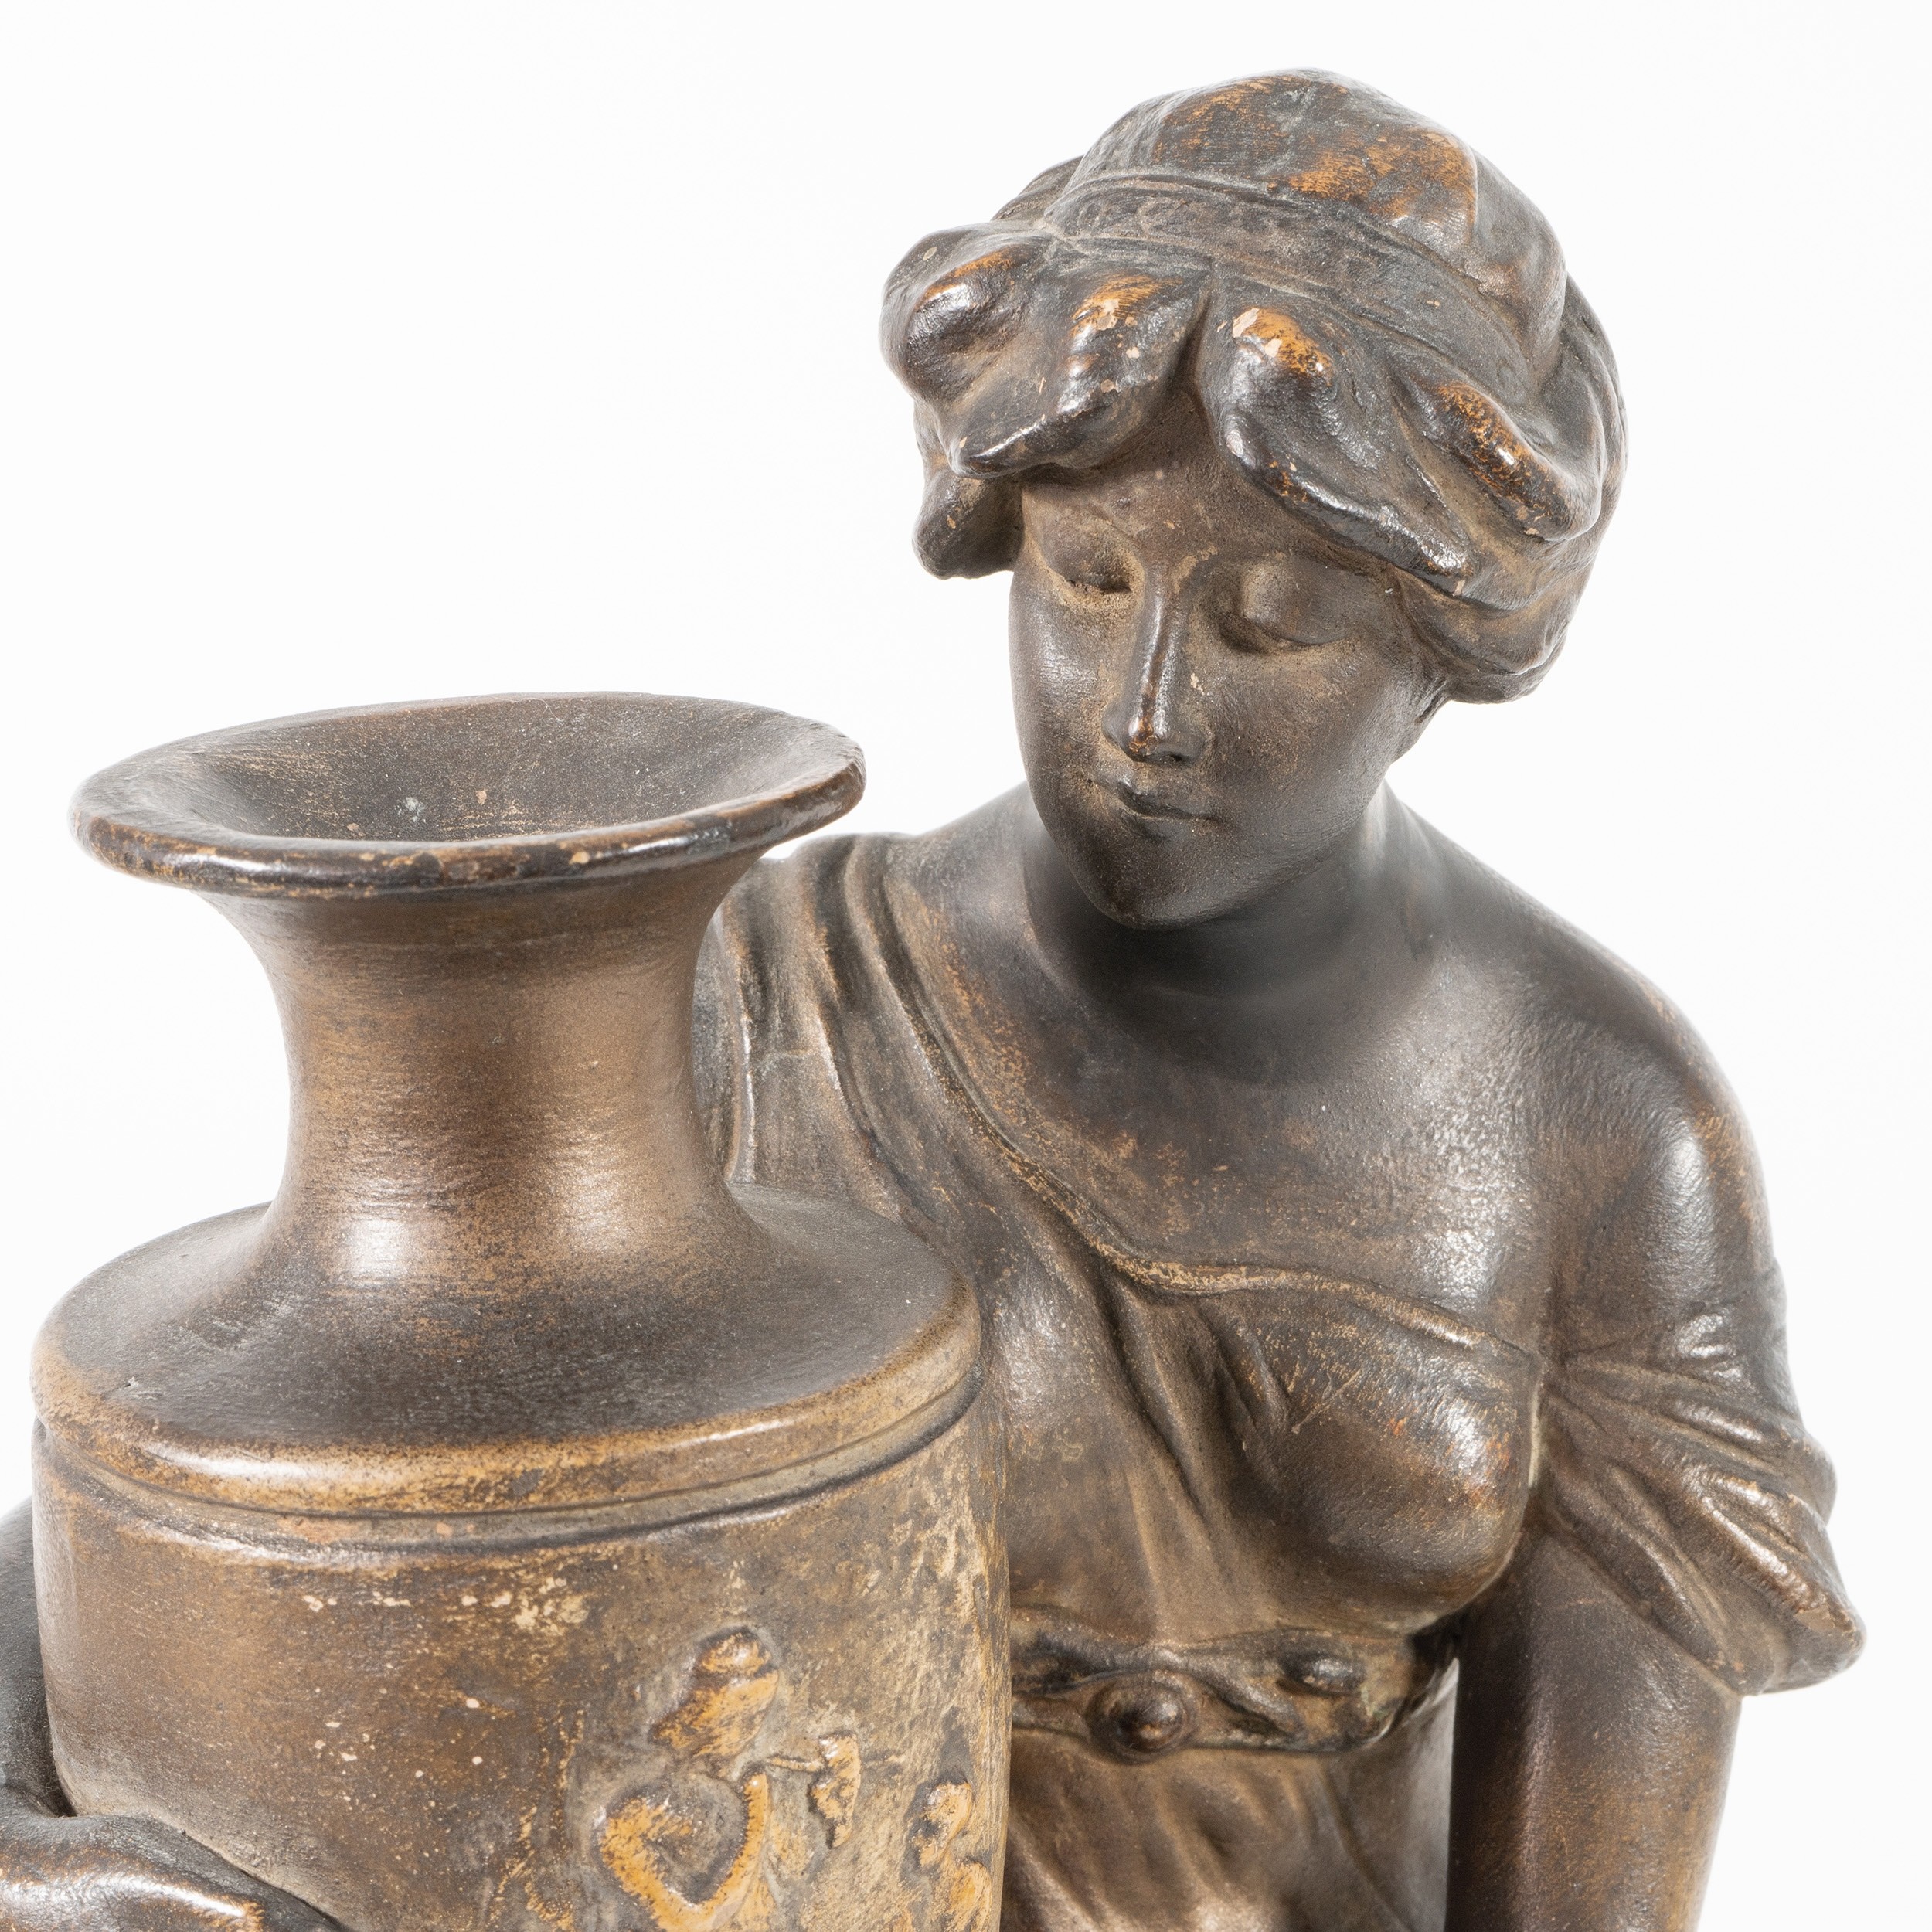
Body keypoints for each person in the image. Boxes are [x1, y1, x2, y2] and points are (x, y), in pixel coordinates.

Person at [0, 71, 1859, 1932]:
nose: (1143, 708)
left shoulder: (1595, 1118)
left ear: (1440, 641)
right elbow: (276, 1451)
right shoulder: (760, 992)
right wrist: (47, 1839)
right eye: (1087, 577)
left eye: (1268, 622)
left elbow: (1599, 1835)